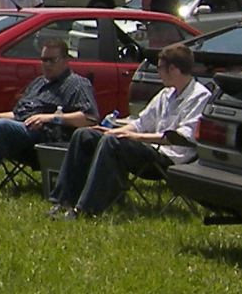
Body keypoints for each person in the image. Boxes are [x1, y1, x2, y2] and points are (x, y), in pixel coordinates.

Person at [48, 43, 214, 218]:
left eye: (160, 68)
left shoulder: (199, 96)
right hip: (149, 147)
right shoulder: (166, 94)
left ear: (173, 69)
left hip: (169, 158)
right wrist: (113, 131)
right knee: (85, 134)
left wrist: (133, 137)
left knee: (113, 142)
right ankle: (62, 201)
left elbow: (179, 137)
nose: (158, 73)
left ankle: (87, 209)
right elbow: (140, 123)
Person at [0, 41, 97, 198]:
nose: (47, 64)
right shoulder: (39, 82)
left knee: (3, 127)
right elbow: (16, 115)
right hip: (18, 127)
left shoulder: (77, 84)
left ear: (65, 60)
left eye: (52, 60)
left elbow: (90, 117)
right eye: (43, 60)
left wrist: (50, 118)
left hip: (44, 137)